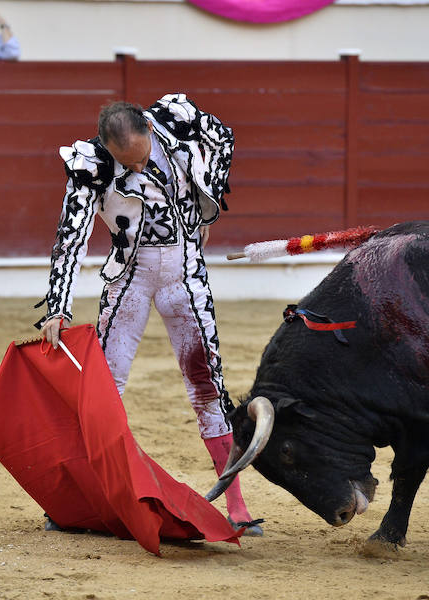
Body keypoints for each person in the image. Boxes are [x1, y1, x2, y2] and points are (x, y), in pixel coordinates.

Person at [38, 94, 263, 536]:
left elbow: (224, 138)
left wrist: (210, 198)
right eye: (128, 164)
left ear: (149, 131)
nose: (137, 169)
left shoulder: (175, 120)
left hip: (185, 271)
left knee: (207, 385)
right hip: (130, 279)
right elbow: (71, 236)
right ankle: (81, 500)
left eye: (141, 158)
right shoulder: (93, 165)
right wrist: (58, 306)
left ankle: (235, 504)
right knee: (102, 388)